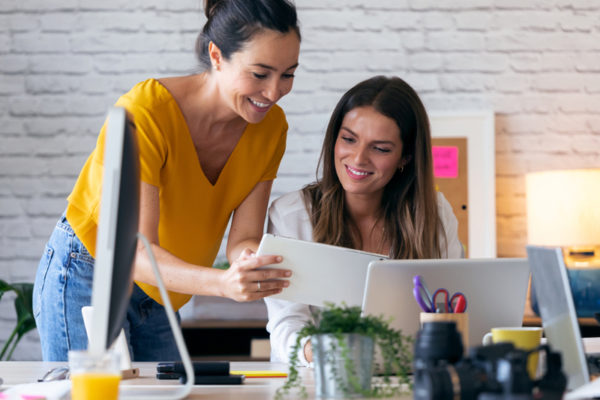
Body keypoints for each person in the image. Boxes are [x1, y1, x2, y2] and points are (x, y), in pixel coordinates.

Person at [33, 0, 301, 361]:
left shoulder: (271, 129)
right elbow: (133, 251)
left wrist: (249, 263)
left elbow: (244, 236)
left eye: (288, 74)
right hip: (91, 273)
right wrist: (223, 284)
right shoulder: (145, 112)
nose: (273, 92)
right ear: (217, 56)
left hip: (163, 288)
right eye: (260, 73)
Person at [264, 76, 463, 365]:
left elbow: (450, 309)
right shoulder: (292, 215)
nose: (357, 159)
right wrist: (335, 357)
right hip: (320, 382)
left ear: (405, 157)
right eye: (348, 139)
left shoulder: (433, 212)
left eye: (380, 149)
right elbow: (287, 326)